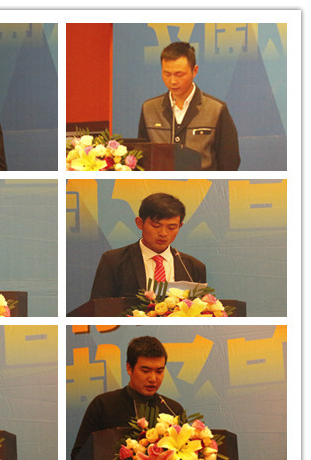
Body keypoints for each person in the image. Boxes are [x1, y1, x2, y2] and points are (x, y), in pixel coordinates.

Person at [71, 336, 186, 460]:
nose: (153, 378)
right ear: (129, 368)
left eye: (159, 371)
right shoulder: (103, 405)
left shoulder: (172, 410)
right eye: (145, 371)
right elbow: (77, 459)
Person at [138, 41, 240, 171]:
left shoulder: (216, 109)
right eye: (167, 74)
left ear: (194, 71)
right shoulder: (149, 109)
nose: (172, 81)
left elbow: (230, 161)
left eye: (179, 74)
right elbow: (142, 157)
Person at [90, 192, 206, 300]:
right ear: (140, 223)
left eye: (171, 227)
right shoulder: (114, 261)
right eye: (156, 226)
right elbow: (99, 306)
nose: (163, 233)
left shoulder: (193, 267)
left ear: (180, 226)